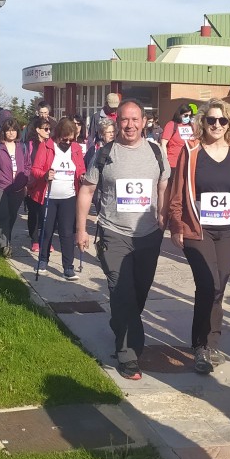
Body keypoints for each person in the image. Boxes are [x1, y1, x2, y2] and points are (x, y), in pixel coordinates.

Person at [76, 100, 170, 380]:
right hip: (114, 234)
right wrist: (80, 229)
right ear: (117, 123)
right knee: (122, 291)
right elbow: (86, 191)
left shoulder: (155, 152)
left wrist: (163, 213)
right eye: (124, 120)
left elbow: (164, 182)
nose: (129, 125)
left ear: (144, 122)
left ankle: (121, 323)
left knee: (138, 294)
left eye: (135, 120)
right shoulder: (104, 153)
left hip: (148, 236)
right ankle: (128, 353)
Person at [167, 99, 230, 373]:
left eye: (222, 121)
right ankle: (201, 346)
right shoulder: (191, 151)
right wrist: (176, 224)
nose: (216, 125)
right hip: (198, 229)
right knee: (208, 283)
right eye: (211, 120)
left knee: (219, 288)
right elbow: (177, 191)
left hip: (228, 232)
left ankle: (212, 342)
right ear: (203, 122)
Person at [29, 117, 86, 280]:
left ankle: (68, 267)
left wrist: (82, 176)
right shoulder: (46, 146)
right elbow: (35, 169)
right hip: (49, 195)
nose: (67, 142)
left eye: (70, 139)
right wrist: (45, 175)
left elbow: (80, 168)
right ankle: (42, 261)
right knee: (47, 230)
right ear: (58, 135)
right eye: (64, 139)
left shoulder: (75, 148)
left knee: (67, 232)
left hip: (69, 196)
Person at [0, 117, 30, 256]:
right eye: (8, 131)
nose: (11, 133)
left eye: (13, 130)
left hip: (17, 189)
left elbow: (28, 165)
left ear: (17, 132)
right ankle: (5, 246)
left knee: (12, 216)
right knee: (2, 216)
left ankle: (6, 240)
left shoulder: (23, 147)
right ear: (3, 132)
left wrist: (25, 179)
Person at [24, 116, 53, 253]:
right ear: (37, 130)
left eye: (49, 129)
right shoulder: (30, 144)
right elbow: (26, 163)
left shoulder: (51, 144)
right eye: (45, 129)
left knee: (45, 213)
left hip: (46, 183)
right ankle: (34, 239)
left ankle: (45, 240)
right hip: (32, 182)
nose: (48, 131)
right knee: (34, 213)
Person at [161, 104, 198, 169]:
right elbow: (163, 143)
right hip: (173, 163)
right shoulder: (171, 125)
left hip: (188, 163)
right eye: (186, 115)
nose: (188, 117)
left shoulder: (191, 126)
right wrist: (165, 160)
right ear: (179, 114)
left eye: (190, 115)